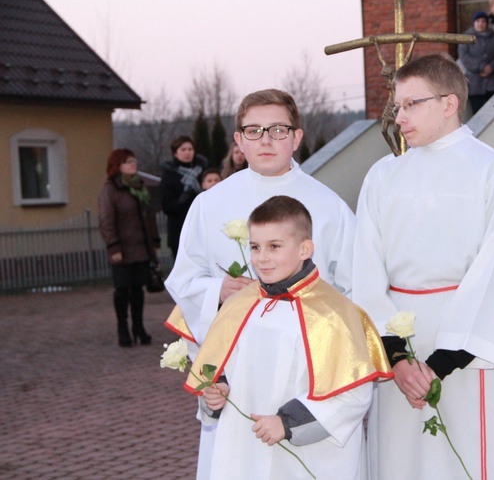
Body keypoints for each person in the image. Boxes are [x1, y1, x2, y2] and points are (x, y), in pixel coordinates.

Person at [353, 54, 494, 479]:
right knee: (401, 461)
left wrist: (438, 364)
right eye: (396, 106)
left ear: (450, 103)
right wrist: (398, 357)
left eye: (412, 104)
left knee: (471, 458)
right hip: (399, 339)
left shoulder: (492, 170)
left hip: (469, 343)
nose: (399, 117)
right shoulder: (383, 175)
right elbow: (363, 272)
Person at [164, 88, 356, 479]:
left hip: (305, 364)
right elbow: (184, 278)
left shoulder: (329, 205)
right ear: (238, 141)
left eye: (277, 129)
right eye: (253, 130)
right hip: (239, 367)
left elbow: (352, 289)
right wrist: (217, 290)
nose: (265, 140)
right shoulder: (209, 203)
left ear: (297, 137)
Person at [182, 195, 392, 479]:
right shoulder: (239, 304)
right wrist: (215, 394)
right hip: (244, 450)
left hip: (307, 456)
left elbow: (352, 394)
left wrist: (288, 423)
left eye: (274, 247)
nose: (262, 258)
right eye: (255, 247)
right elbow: (219, 369)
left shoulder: (334, 313)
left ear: (305, 248)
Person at [98, 149, 160, 347]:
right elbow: (106, 219)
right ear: (117, 166)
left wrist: (154, 241)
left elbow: (149, 217)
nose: (133, 164)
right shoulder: (111, 189)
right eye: (127, 162)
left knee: (138, 289)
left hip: (141, 247)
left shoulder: (140, 187)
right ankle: (122, 328)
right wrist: (113, 246)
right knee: (122, 290)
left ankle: (138, 327)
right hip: (122, 249)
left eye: (134, 160)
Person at [159, 135, 208, 258]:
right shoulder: (169, 176)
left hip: (202, 229)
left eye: (190, 149)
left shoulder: (202, 171)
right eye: (183, 149)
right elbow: (167, 207)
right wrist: (184, 199)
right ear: (175, 153)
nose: (187, 153)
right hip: (180, 231)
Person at [458, 11, 494, 113]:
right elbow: (464, 56)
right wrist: (481, 66)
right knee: (478, 112)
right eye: (478, 21)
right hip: (475, 82)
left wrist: (491, 67)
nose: (481, 23)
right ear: (474, 23)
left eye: (483, 21)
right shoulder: (466, 38)